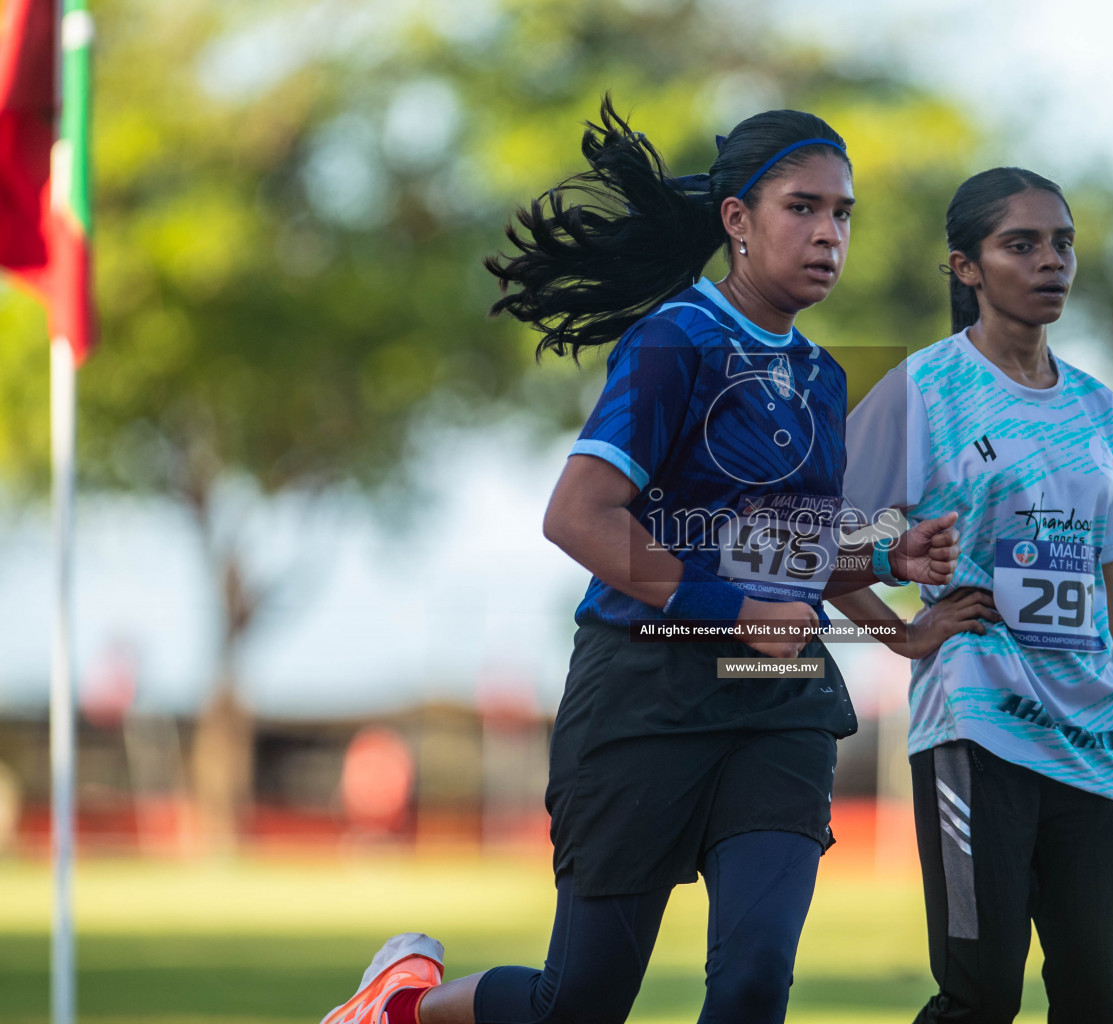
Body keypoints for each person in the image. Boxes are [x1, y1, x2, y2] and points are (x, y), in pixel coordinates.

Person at [319, 98, 963, 1024]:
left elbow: (785, 549)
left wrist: (890, 573)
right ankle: (401, 1008)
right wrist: (734, 612)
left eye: (843, 213)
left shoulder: (822, 376)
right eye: (802, 208)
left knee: (752, 984)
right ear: (736, 221)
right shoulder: (674, 342)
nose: (829, 234)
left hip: (776, 706)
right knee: (577, 1004)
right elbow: (579, 517)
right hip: (644, 698)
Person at [832, 167, 1113, 1023]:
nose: (1051, 261)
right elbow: (820, 547)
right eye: (1022, 244)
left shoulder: (1097, 408)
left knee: (1100, 1004)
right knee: (980, 999)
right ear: (966, 267)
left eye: (1063, 243)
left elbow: (1109, 600)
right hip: (976, 730)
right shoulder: (924, 391)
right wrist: (905, 632)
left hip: (1092, 745)